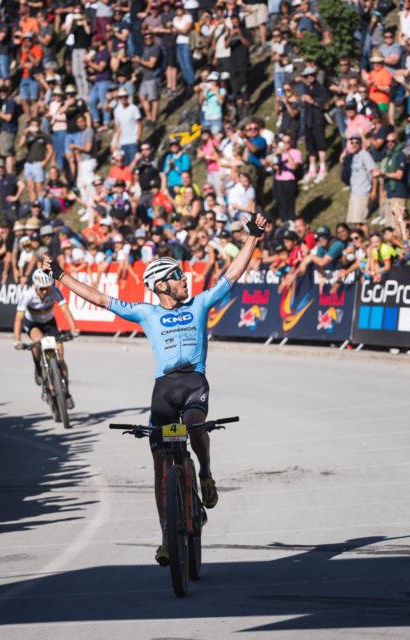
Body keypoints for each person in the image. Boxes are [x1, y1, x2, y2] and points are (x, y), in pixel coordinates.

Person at [42, 212, 269, 567]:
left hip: (194, 381)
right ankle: (167, 537)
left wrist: (253, 237)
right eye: (178, 276)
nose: (185, 279)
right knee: (160, 463)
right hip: (164, 389)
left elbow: (232, 274)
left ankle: (205, 474)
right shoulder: (145, 313)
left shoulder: (199, 303)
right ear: (161, 285)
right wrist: (60, 276)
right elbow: (100, 299)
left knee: (194, 426)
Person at [13, 269, 80, 406]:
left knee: (60, 355)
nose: (45, 292)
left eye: (47, 288)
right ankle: (38, 367)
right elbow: (19, 319)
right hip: (33, 324)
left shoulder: (54, 291)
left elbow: (65, 310)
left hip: (50, 323)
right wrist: (17, 340)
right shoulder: (28, 295)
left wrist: (74, 329)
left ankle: (65, 392)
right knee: (37, 341)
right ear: (35, 285)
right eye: (42, 289)